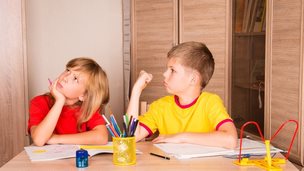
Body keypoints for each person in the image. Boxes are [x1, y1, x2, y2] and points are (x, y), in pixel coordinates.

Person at [127, 41, 237, 149]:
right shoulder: (160, 106)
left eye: (172, 70)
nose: (165, 74)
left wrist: (181, 137)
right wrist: (136, 90)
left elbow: (231, 140)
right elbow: (129, 137)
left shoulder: (210, 103)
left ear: (193, 79)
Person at [28, 57, 109, 146]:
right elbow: (39, 140)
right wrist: (59, 102)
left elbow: (102, 137)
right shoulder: (39, 102)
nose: (65, 78)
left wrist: (57, 139)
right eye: (68, 70)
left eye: (75, 78)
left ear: (84, 95)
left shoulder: (86, 110)